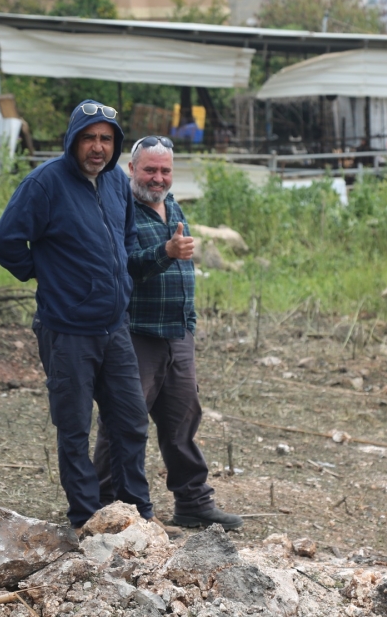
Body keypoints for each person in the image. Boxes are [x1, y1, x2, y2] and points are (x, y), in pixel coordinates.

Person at [0, 100, 157, 533]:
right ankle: (86, 518)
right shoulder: (45, 183)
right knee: (74, 429)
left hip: (114, 327)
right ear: (72, 140)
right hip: (67, 330)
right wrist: (47, 274)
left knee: (131, 421)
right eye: (89, 138)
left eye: (106, 139)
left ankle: (136, 515)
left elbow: (126, 235)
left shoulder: (116, 181)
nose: (98, 147)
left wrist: (121, 279)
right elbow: (4, 241)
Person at [92, 136, 244, 531]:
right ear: (131, 169)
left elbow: (182, 266)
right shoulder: (119, 208)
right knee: (124, 421)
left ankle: (193, 502)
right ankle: (103, 504)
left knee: (183, 421)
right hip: (137, 333)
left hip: (178, 334)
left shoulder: (171, 204)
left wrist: (189, 324)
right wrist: (166, 253)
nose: (158, 178)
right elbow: (122, 265)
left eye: (165, 170)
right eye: (150, 170)